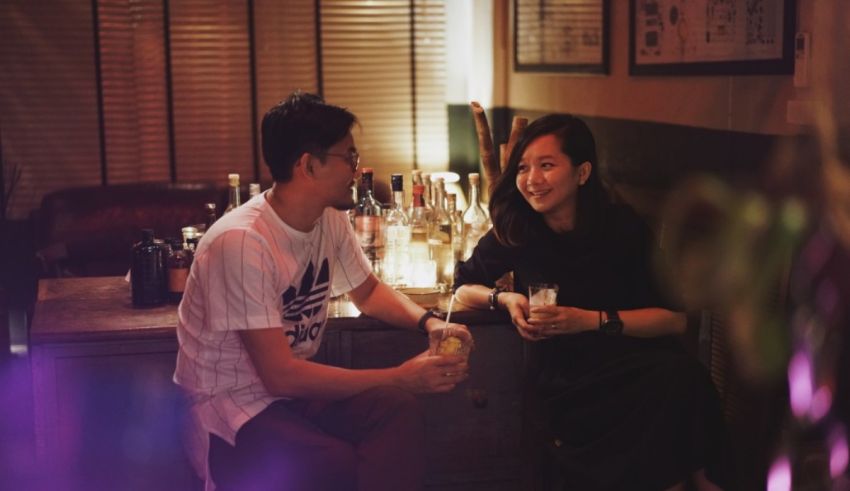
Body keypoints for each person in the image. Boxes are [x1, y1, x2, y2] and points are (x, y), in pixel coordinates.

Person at [174, 92, 470, 491]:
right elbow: (279, 376)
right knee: (333, 460)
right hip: (233, 404)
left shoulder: (328, 217)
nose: (357, 167)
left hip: (293, 394)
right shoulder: (242, 241)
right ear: (308, 166)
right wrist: (398, 376)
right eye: (348, 156)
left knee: (396, 411)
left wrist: (429, 323)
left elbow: (367, 291)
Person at [454, 114, 727, 491]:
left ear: (582, 173)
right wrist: (505, 299)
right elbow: (462, 287)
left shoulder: (622, 229)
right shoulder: (518, 227)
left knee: (682, 381)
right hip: (567, 380)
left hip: (636, 363)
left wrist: (589, 320)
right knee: (674, 397)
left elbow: (676, 321)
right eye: (523, 167)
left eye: (546, 166)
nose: (531, 179)